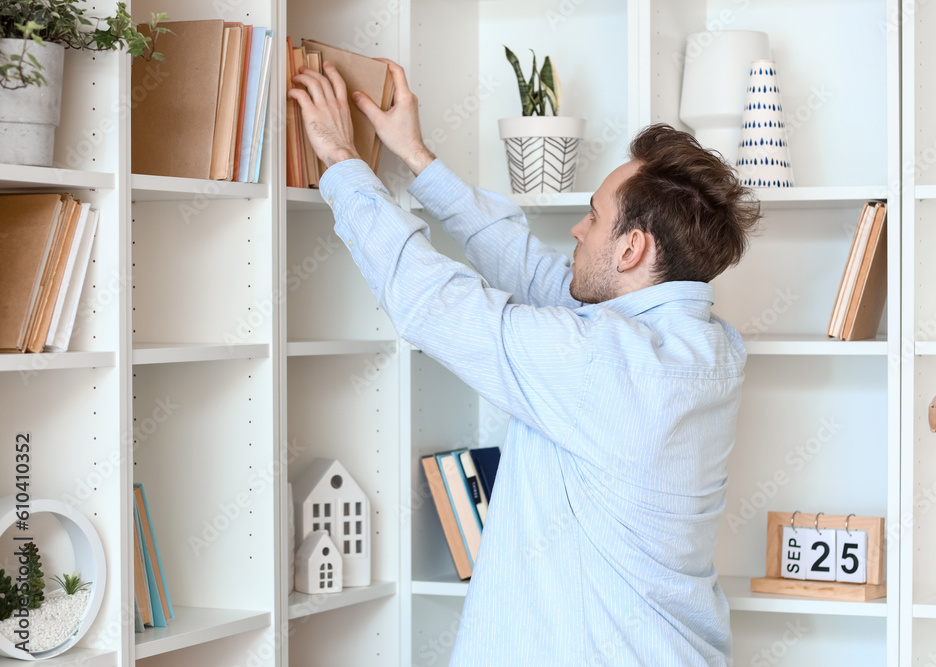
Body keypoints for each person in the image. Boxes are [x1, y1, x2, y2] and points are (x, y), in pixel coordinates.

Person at [289, 58, 761, 666]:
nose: (576, 229)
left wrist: (342, 163)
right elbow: (539, 275)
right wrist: (417, 158)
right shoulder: (708, 347)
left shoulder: (607, 365)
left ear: (632, 248)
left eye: (593, 216)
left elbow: (433, 303)